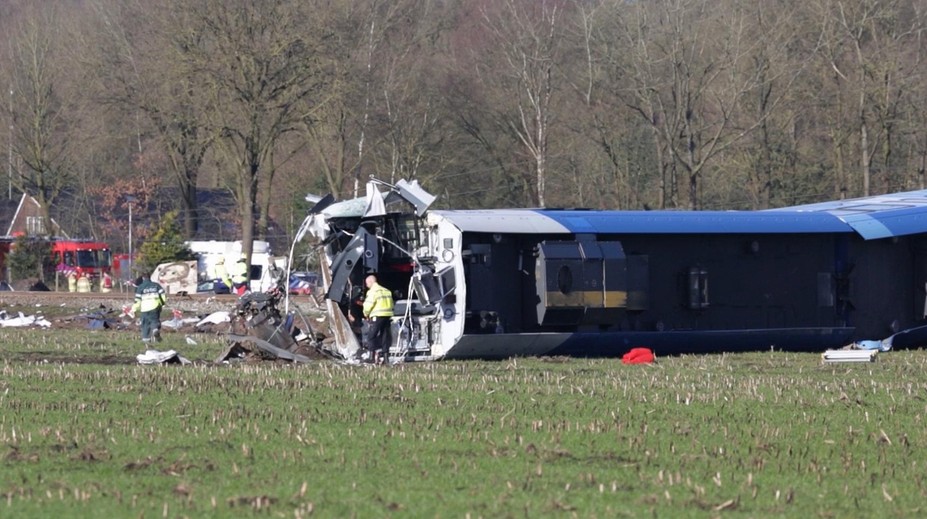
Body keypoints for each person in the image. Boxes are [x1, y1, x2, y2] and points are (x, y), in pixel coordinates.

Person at [362, 274, 394, 365]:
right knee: (385, 336)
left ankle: (372, 357)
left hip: (377, 316)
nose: (367, 286)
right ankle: (386, 358)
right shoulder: (386, 291)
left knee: (371, 336)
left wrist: (366, 313)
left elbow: (368, 305)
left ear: (371, 282)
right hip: (387, 316)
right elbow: (391, 304)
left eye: (367, 283)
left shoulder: (373, 291)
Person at [132, 273, 166, 346]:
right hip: (154, 306)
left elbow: (137, 300)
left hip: (144, 308)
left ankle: (146, 341)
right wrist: (162, 304)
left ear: (143, 279)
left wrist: (134, 309)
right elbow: (162, 295)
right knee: (154, 320)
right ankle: (155, 329)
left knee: (145, 324)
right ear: (150, 277)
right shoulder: (156, 285)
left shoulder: (140, 287)